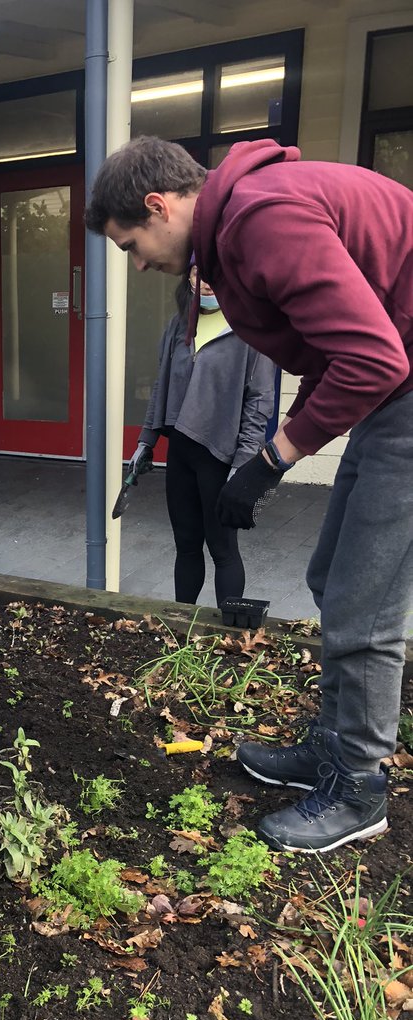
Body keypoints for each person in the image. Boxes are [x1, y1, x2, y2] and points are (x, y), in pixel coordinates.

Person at [86, 134, 412, 855]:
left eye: (130, 244)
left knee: (365, 598)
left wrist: (272, 458)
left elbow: (372, 358)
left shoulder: (264, 217)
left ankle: (357, 786)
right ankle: (332, 748)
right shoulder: (239, 225)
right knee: (333, 576)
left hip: (405, 383)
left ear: (158, 205)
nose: (139, 264)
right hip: (399, 385)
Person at [130, 266, 273, 606]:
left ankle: (232, 637)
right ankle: (183, 632)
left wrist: (243, 465)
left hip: (220, 455)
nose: (206, 279)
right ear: (189, 277)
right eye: (198, 271)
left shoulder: (251, 331)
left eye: (215, 271)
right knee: (186, 545)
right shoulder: (178, 325)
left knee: (223, 549)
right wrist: (145, 440)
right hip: (180, 451)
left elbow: (260, 401)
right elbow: (160, 386)